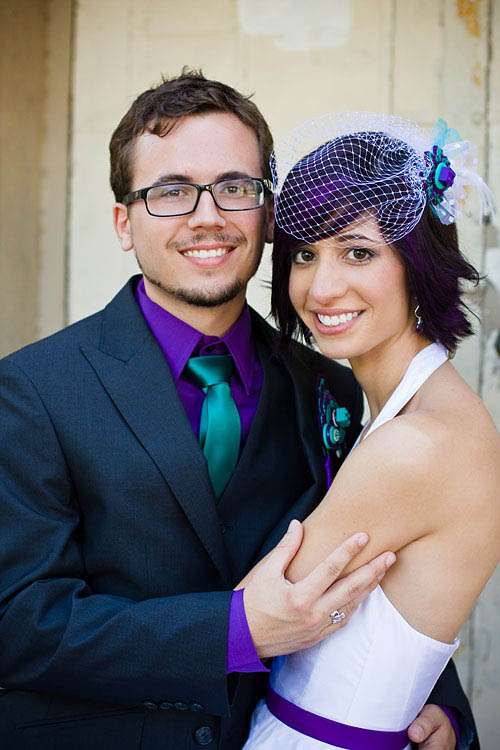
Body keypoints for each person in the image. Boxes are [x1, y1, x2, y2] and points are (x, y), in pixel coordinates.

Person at [0, 73, 474, 750]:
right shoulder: (31, 390)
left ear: (268, 211)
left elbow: (379, 566)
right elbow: (18, 623)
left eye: (234, 187)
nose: (207, 216)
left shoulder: (330, 388)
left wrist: (437, 704)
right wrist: (236, 630)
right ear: (124, 223)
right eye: (170, 191)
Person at [243, 114, 500, 749]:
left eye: (358, 252)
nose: (322, 287)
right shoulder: (411, 410)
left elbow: (251, 617)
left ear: (418, 265)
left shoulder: (416, 446)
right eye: (305, 254)